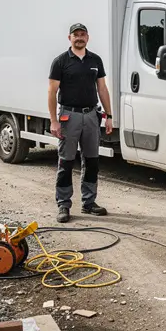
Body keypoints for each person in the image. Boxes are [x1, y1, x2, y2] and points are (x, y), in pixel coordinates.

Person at [48, 23, 114, 223]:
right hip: (69, 116)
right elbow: (52, 91)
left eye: (82, 34)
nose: (79, 37)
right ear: (69, 38)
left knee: (92, 161)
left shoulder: (95, 60)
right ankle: (63, 204)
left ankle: (89, 202)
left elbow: (102, 89)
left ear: (87, 37)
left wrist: (109, 116)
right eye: (75, 35)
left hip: (92, 116)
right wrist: (54, 121)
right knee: (66, 161)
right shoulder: (60, 61)